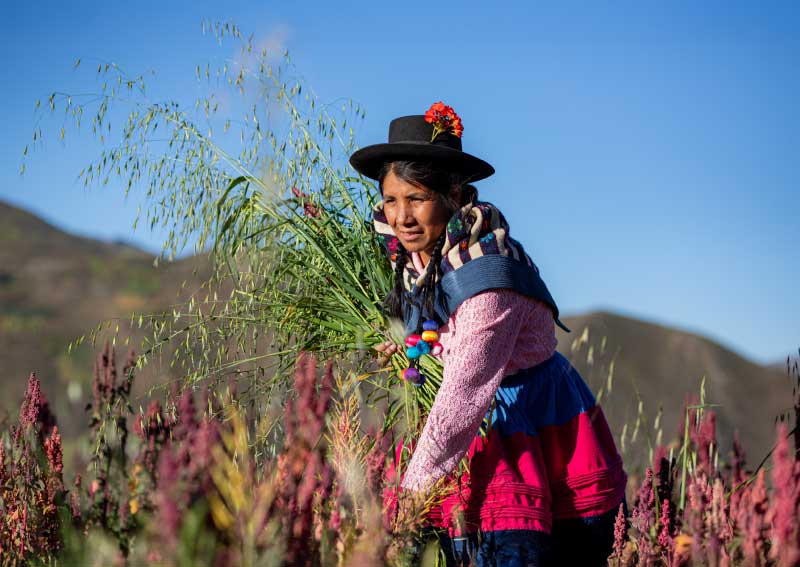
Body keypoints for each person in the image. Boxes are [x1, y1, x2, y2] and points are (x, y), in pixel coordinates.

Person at [349, 103, 627, 566]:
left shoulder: (489, 276)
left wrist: (408, 500)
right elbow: (440, 334)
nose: (402, 216)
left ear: (454, 195)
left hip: (526, 430)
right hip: (462, 426)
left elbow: (463, 396)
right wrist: (406, 346)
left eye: (417, 198)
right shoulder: (414, 258)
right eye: (391, 199)